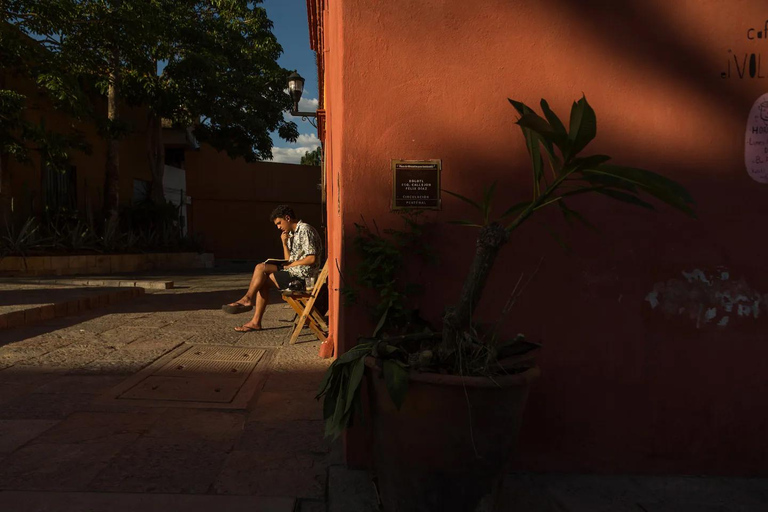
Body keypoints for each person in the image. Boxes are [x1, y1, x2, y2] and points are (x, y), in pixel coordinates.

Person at [224, 205, 323, 332]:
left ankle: (250, 308)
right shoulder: (292, 234)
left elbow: (311, 259)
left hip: (303, 278)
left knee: (262, 280)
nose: (278, 227)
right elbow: (289, 259)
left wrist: (289, 266)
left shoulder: (305, 230)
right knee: (260, 269)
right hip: (294, 272)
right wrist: (284, 243)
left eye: (279, 223)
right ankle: (250, 306)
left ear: (287, 218)